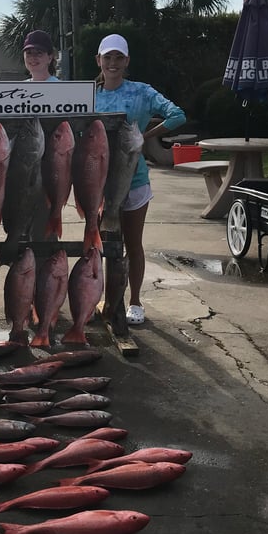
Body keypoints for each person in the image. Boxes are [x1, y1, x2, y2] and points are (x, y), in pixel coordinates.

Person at [94, 33, 186, 326]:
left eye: (118, 57)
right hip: (98, 182)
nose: (112, 63)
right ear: (98, 61)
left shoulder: (143, 92)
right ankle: (108, 299)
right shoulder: (89, 94)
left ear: (127, 61)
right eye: (107, 57)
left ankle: (134, 301)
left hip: (134, 181)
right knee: (104, 244)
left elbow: (177, 115)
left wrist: (143, 138)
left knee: (132, 243)